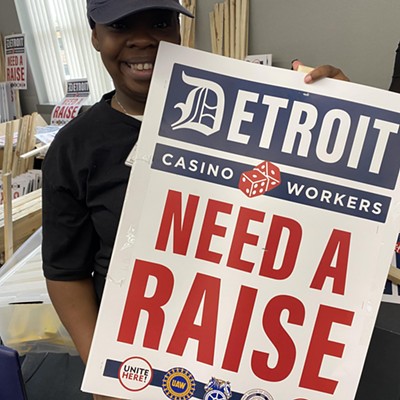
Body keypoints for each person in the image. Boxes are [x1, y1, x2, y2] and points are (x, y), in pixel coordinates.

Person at [41, 1, 349, 399]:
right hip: (142, 361)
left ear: (178, 30)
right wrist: (102, 367)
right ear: (96, 36)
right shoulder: (76, 147)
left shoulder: (249, 115)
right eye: (119, 25)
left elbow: (311, 204)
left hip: (255, 352)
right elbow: (66, 271)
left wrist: (343, 111)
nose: (142, 39)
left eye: (158, 22)